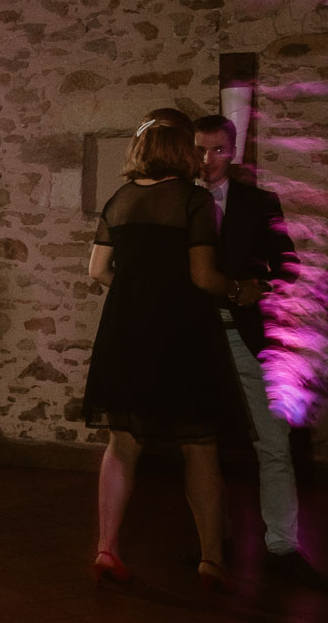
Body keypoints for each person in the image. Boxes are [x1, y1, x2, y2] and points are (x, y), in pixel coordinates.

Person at [83, 109, 256, 592]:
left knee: (122, 443)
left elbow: (97, 271)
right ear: (181, 150)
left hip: (126, 329)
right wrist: (239, 289)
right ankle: (211, 559)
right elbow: (203, 277)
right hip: (183, 330)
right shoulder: (193, 202)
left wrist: (135, 296)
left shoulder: (119, 200)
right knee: (199, 444)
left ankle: (107, 545)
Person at [191, 114, 323, 585]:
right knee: (199, 440)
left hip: (246, 330)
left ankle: (283, 547)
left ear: (233, 151)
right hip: (192, 333)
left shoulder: (257, 201)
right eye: (200, 150)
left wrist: (257, 284)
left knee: (272, 440)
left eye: (218, 150)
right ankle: (213, 537)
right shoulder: (176, 200)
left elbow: (288, 267)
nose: (207, 160)